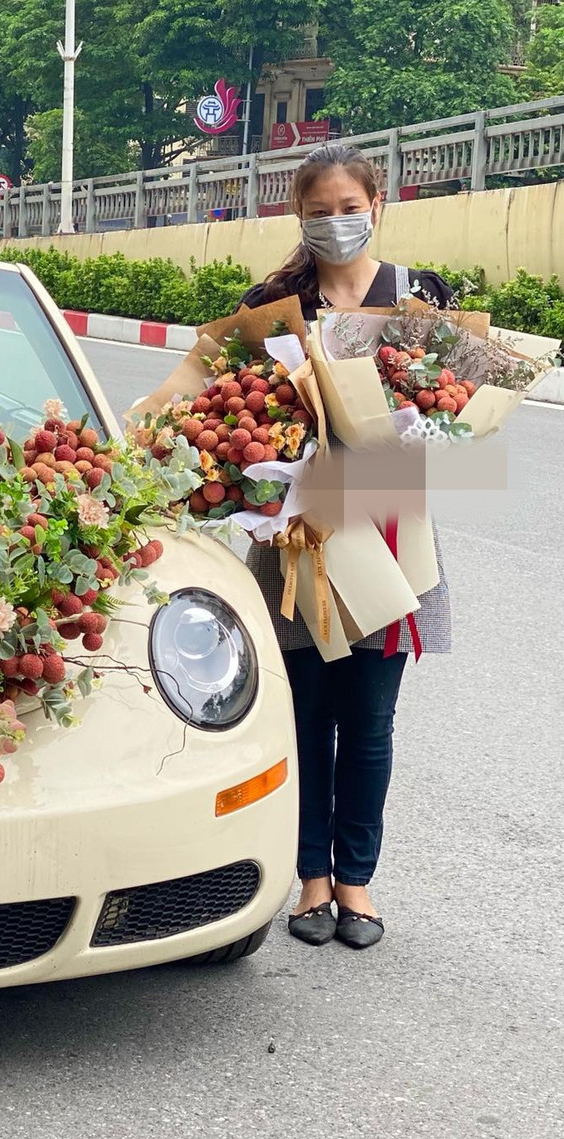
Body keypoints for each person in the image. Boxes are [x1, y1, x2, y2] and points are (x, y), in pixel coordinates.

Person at [238, 142, 456, 951]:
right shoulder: (272, 305)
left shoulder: (420, 299)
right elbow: (242, 418)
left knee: (370, 718)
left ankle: (357, 877)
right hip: (304, 536)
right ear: (301, 216)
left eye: (349, 207)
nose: (337, 222)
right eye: (319, 210)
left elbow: (459, 402)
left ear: (378, 205)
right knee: (307, 715)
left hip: (393, 529)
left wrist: (435, 423)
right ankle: (311, 879)